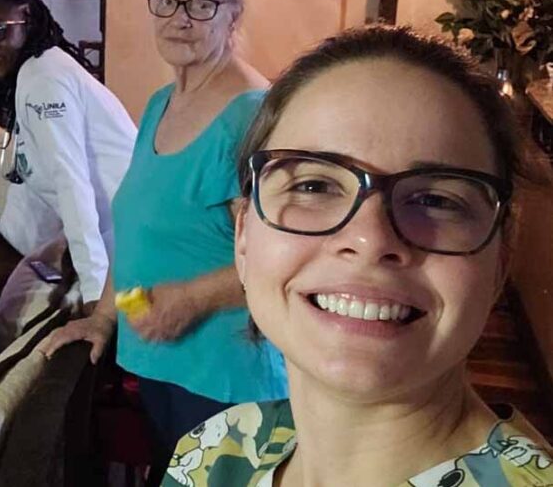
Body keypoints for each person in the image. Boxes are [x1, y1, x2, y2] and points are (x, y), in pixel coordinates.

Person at [165, 25, 553, 486]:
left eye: (436, 200)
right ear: (244, 236)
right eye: (315, 186)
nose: (370, 239)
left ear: (501, 259)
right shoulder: (211, 453)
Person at [40, 0, 287, 487]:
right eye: (167, 1)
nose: (180, 18)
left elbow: (284, 257)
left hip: (228, 379)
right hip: (160, 366)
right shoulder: (160, 103)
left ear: (233, 15)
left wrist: (192, 299)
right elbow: (136, 229)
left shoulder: (251, 114)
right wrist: (104, 318)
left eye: (201, 4)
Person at [0, 0, 137, 306]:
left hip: (128, 240)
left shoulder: (43, 80)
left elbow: (71, 182)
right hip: (113, 235)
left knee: (132, 320)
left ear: (26, 19)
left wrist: (93, 288)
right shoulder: (36, 70)